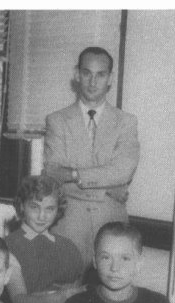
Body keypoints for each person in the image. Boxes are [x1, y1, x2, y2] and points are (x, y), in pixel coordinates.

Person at [43, 47, 140, 267]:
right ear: (77, 74)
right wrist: (108, 188)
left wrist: (74, 174)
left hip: (112, 226)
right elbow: (53, 173)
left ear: (110, 78)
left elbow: (122, 171)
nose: (93, 82)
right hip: (69, 226)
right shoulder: (57, 120)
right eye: (87, 73)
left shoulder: (126, 122)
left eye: (100, 74)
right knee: (67, 294)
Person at [5, 175, 84, 303]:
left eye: (50, 209)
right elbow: (20, 302)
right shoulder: (9, 246)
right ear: (22, 206)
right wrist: (57, 298)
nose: (42, 216)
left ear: (58, 210)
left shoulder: (68, 246)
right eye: (35, 207)